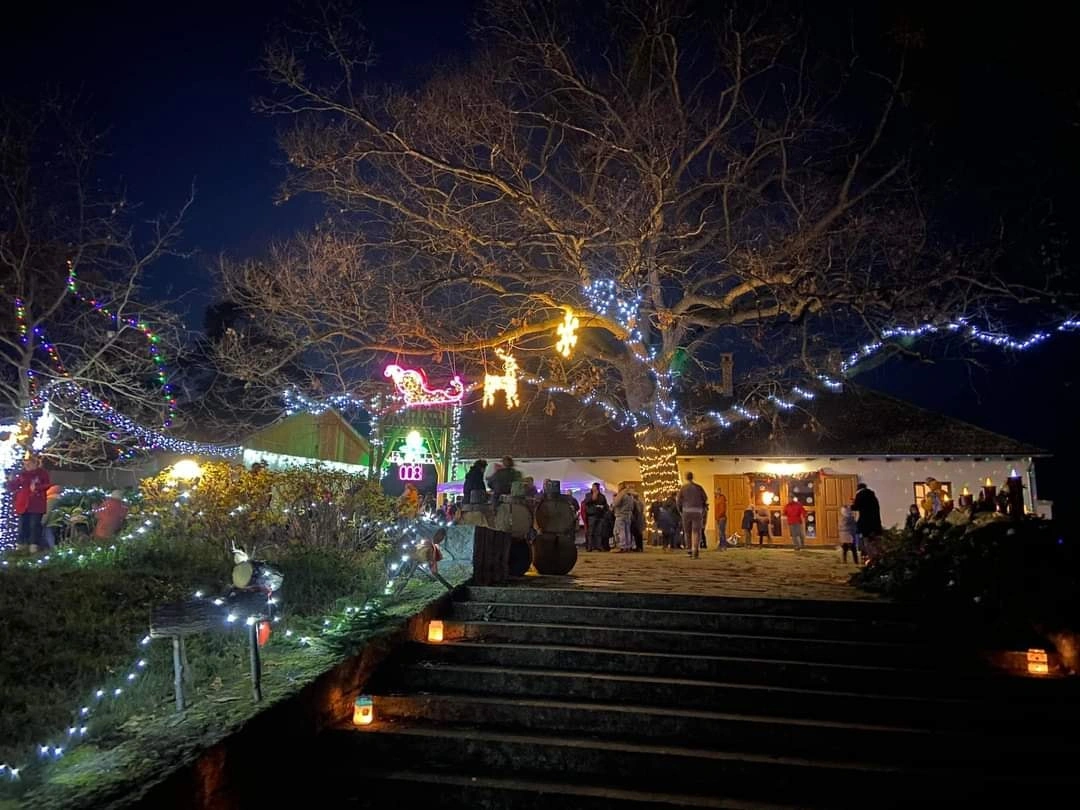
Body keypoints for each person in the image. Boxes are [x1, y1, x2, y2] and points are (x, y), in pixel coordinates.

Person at [6, 455, 51, 552]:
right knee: (23, 525)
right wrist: (10, 481)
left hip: (36, 504)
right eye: (25, 464)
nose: (27, 466)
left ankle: (33, 545)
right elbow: (15, 486)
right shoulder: (23, 474)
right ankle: (22, 545)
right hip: (23, 504)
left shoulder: (42, 473)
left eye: (29, 464)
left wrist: (37, 488)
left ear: (35, 463)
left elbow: (47, 484)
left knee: (34, 525)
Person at [677, 472, 708, 559]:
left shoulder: (683, 488)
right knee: (696, 531)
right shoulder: (699, 487)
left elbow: (678, 501)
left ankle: (689, 549)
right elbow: (705, 498)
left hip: (686, 511)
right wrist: (702, 508)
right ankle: (696, 549)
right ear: (692, 477)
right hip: (697, 511)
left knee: (687, 532)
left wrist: (680, 510)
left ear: (686, 478)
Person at [851, 482, 883, 559]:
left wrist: (852, 504)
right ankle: (879, 558)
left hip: (866, 524)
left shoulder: (860, 495)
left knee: (867, 542)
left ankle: (871, 558)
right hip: (875, 523)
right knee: (876, 542)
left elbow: (856, 507)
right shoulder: (873, 496)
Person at [582, 483, 609, 551]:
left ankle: (599, 546)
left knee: (599, 532)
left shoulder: (602, 496)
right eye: (592, 486)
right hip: (592, 516)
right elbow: (586, 502)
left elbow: (606, 505)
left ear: (597, 487)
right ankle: (589, 547)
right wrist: (593, 497)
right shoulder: (588, 495)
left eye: (594, 486)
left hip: (600, 516)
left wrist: (603, 507)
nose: (593, 488)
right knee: (590, 532)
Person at [611, 482, 636, 553]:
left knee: (620, 531)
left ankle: (622, 546)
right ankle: (628, 546)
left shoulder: (622, 495)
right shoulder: (630, 496)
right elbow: (632, 506)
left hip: (620, 515)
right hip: (628, 515)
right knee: (627, 531)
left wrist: (614, 499)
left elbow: (616, 503)